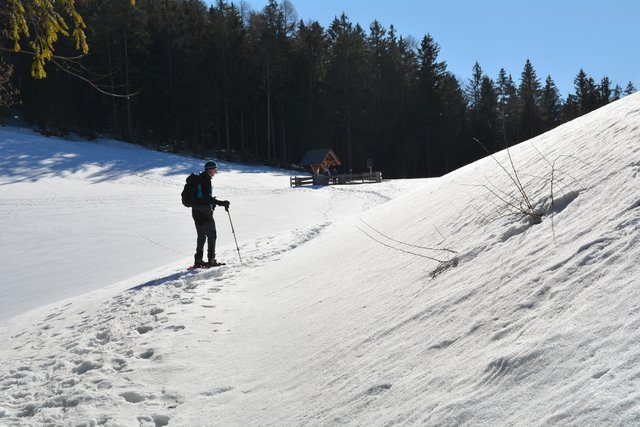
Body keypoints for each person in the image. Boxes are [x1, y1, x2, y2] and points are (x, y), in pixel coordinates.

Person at [192, 161, 230, 267]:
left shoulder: (199, 178)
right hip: (204, 211)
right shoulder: (206, 179)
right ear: (210, 170)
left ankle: (198, 260)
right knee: (212, 235)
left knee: (201, 236)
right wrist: (221, 203)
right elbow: (206, 197)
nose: (216, 172)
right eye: (215, 169)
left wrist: (213, 201)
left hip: (195, 210)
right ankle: (211, 260)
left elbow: (203, 196)